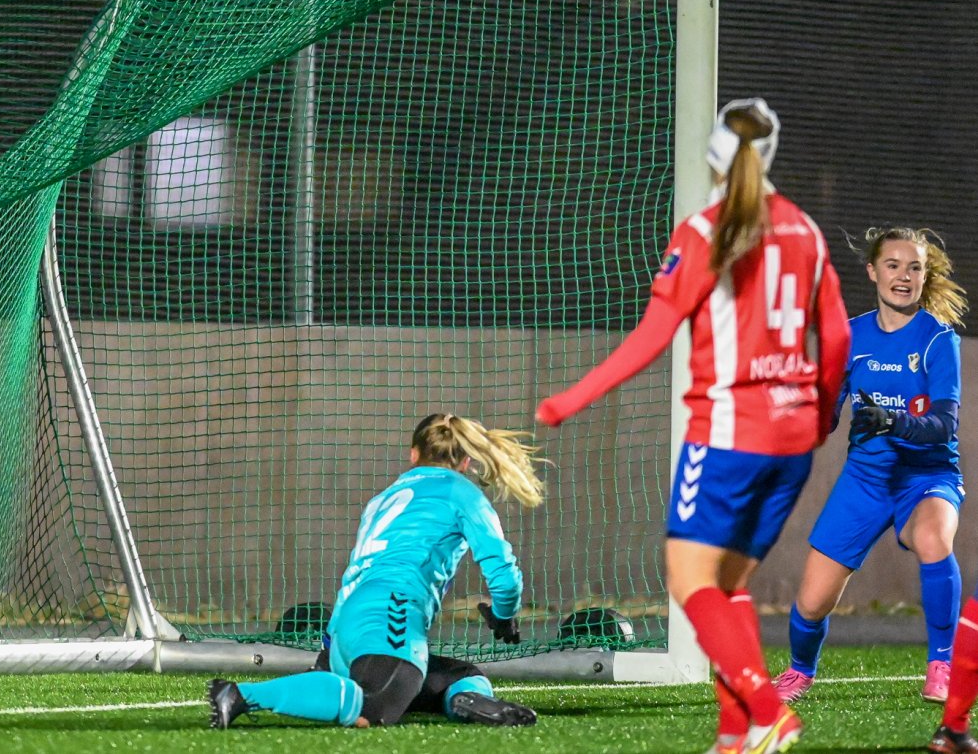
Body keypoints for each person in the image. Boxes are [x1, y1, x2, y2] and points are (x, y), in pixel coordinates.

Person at [535, 97, 851, 754]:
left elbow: (652, 336)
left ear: (713, 153)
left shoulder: (705, 231)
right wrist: (820, 416)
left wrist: (571, 398)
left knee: (688, 580)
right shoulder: (805, 229)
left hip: (730, 434)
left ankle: (769, 712)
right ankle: (735, 733)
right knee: (728, 585)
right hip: (793, 439)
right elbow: (839, 338)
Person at [208, 412, 544, 729]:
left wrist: (330, 651)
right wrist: (504, 614)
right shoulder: (461, 492)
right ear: (466, 461)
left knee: (462, 675)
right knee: (375, 707)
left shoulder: (383, 499)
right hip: (391, 612)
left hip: (348, 624)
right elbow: (503, 572)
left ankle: (466, 698)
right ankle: (240, 694)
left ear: (414, 454)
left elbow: (357, 570)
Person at [763, 228, 967, 700]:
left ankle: (942, 665)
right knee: (811, 603)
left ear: (924, 277)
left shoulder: (939, 340)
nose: (904, 276)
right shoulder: (850, 336)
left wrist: (893, 421)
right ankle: (799, 671)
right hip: (865, 481)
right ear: (873, 272)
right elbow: (825, 418)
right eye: (893, 265)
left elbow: (943, 425)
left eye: (914, 267)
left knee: (932, 538)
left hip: (926, 477)